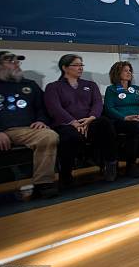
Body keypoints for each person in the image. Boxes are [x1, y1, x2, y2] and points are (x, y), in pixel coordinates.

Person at [0, 51, 58, 212]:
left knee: (49, 136)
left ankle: (43, 183)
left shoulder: (30, 85)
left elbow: (43, 108)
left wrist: (42, 120)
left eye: (18, 61)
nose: (17, 64)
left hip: (25, 129)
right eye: (11, 61)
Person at [45, 54, 119, 184]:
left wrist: (91, 118)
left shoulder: (90, 85)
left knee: (105, 123)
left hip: (90, 122)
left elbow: (97, 103)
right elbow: (55, 108)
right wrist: (73, 122)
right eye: (76, 65)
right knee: (70, 136)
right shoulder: (53, 87)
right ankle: (66, 174)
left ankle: (111, 165)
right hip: (67, 124)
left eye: (81, 65)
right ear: (65, 68)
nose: (80, 68)